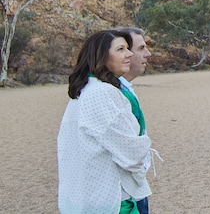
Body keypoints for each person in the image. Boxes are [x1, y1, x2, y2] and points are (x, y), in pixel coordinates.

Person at [57, 30, 151, 214]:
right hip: (111, 202)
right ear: (102, 56)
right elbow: (131, 152)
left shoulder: (84, 91)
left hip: (82, 199)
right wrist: (144, 147)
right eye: (121, 49)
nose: (129, 54)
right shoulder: (102, 93)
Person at [116, 27, 153, 214]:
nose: (148, 54)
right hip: (125, 196)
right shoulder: (114, 94)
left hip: (135, 187)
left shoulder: (125, 89)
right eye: (141, 48)